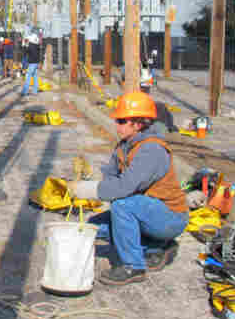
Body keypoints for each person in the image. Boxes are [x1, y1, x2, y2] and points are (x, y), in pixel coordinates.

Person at [67, 91, 189, 285]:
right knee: (94, 227)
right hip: (147, 211)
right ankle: (155, 247)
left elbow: (124, 187)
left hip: (170, 217)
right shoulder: (125, 145)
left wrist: (89, 189)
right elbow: (111, 176)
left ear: (138, 124)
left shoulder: (152, 150)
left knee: (122, 206)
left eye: (122, 121)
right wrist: (87, 179)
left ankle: (134, 266)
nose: (116, 125)